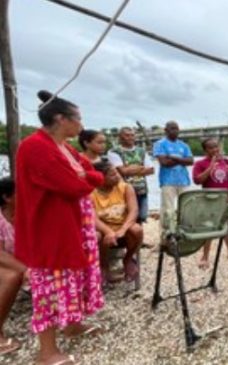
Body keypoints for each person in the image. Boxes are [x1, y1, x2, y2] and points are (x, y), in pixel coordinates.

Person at [15, 90, 106, 365]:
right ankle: (46, 352)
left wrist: (83, 173)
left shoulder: (65, 148)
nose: (81, 123)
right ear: (60, 118)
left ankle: (73, 324)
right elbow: (73, 185)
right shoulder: (34, 147)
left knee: (74, 278)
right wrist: (83, 175)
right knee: (49, 287)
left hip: (75, 225)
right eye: (77, 118)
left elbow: (95, 175)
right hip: (50, 229)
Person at [91, 161, 143, 283]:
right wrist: (108, 231)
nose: (118, 176)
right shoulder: (90, 192)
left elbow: (133, 211)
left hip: (123, 227)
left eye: (117, 173)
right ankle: (103, 266)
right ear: (101, 177)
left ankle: (128, 259)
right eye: (113, 174)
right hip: (103, 229)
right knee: (96, 235)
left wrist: (122, 230)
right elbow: (93, 218)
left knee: (137, 229)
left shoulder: (125, 187)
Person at [192, 138, 228, 267]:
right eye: (211, 148)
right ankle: (205, 256)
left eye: (216, 147)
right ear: (205, 150)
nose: (215, 150)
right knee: (209, 227)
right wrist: (211, 166)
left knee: (226, 226)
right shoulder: (200, 164)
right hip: (210, 200)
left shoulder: (227, 161)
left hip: (227, 200)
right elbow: (197, 181)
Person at [107, 127, 155, 224]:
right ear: (120, 137)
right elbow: (122, 171)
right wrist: (140, 168)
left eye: (132, 135)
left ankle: (139, 238)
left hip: (141, 189)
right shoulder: (114, 152)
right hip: (123, 191)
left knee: (141, 217)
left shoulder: (141, 151)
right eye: (127, 135)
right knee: (126, 216)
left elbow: (151, 170)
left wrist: (129, 168)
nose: (130, 137)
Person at [0, 178, 26, 356]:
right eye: (20, 192)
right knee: (11, 277)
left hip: (19, 262)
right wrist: (26, 269)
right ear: (7, 197)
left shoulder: (26, 214)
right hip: (6, 262)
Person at [153, 121, 193, 228]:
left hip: (184, 181)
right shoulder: (159, 144)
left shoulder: (184, 145)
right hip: (167, 181)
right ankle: (165, 237)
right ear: (166, 130)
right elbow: (164, 163)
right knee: (167, 209)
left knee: (186, 208)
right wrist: (182, 159)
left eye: (176, 128)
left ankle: (183, 233)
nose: (175, 131)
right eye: (172, 128)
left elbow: (191, 161)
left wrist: (174, 158)